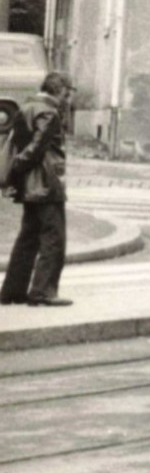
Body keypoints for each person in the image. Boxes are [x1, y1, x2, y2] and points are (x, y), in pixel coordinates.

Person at [1, 72, 74, 306]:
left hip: (30, 186)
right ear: (59, 89)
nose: (68, 98)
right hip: (46, 183)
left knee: (28, 238)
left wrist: (14, 176)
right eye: (67, 92)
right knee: (54, 238)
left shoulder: (28, 107)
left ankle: (12, 291)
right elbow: (35, 149)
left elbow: (20, 144)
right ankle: (43, 291)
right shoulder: (49, 112)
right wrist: (17, 169)